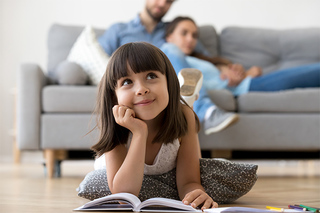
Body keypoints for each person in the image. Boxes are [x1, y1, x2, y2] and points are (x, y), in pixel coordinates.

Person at [91, 42, 218, 210]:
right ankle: (185, 96)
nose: (141, 89)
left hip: (174, 114)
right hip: (117, 173)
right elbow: (124, 196)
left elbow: (189, 182)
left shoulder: (184, 116)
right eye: (127, 81)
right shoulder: (114, 123)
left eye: (151, 76)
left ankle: (185, 98)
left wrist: (197, 196)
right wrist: (139, 133)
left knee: (185, 112)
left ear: (169, 82)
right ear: (114, 97)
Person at [98, 0, 239, 135]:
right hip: (135, 84)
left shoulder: (174, 30)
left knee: (170, 49)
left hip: (165, 80)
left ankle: (197, 106)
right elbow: (98, 58)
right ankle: (205, 110)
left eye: (168, 1)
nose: (162, 4)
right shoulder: (119, 30)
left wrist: (222, 66)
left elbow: (201, 56)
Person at [162, 16, 320, 97]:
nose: (191, 39)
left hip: (251, 82)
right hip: (247, 88)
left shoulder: (201, 60)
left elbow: (249, 73)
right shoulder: (170, 56)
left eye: (194, 35)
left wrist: (243, 73)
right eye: (184, 33)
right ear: (169, 36)